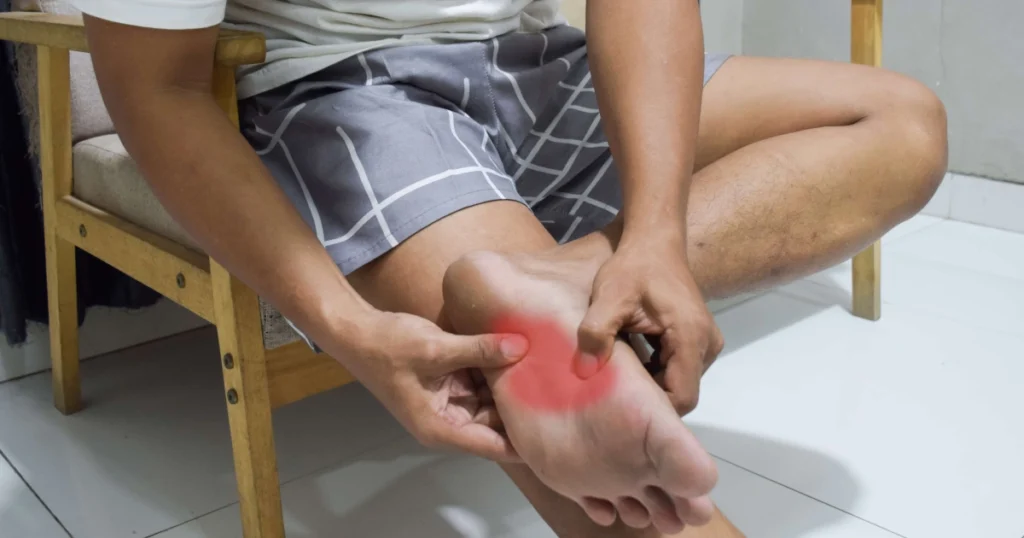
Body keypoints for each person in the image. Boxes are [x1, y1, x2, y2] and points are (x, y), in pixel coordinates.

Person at [74, 0, 948, 535]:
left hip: (535, 63)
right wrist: (346, 329)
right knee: (588, 413)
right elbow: (160, 88)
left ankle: (551, 285)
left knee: (901, 124)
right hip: (345, 90)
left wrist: (655, 234)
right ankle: (537, 316)